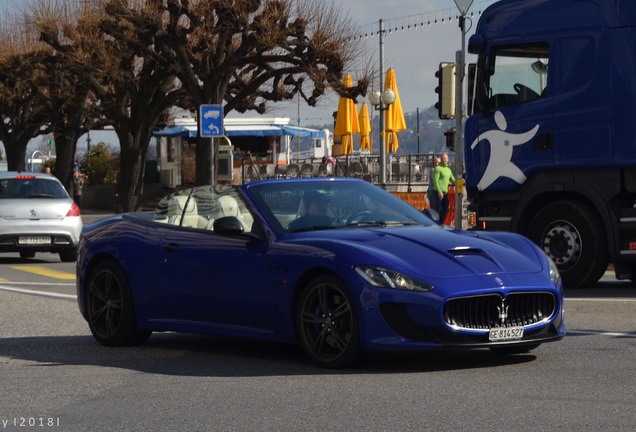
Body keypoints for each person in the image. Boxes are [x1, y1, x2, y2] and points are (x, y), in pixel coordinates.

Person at [433, 152, 456, 225]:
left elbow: (453, 180)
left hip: (445, 193)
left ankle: (440, 224)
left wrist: (461, 182)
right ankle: (436, 225)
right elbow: (435, 181)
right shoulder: (437, 169)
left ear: (448, 159)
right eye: (442, 159)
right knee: (438, 211)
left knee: (446, 210)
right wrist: (439, 191)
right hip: (437, 193)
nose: (444, 160)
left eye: (445, 159)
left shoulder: (448, 170)